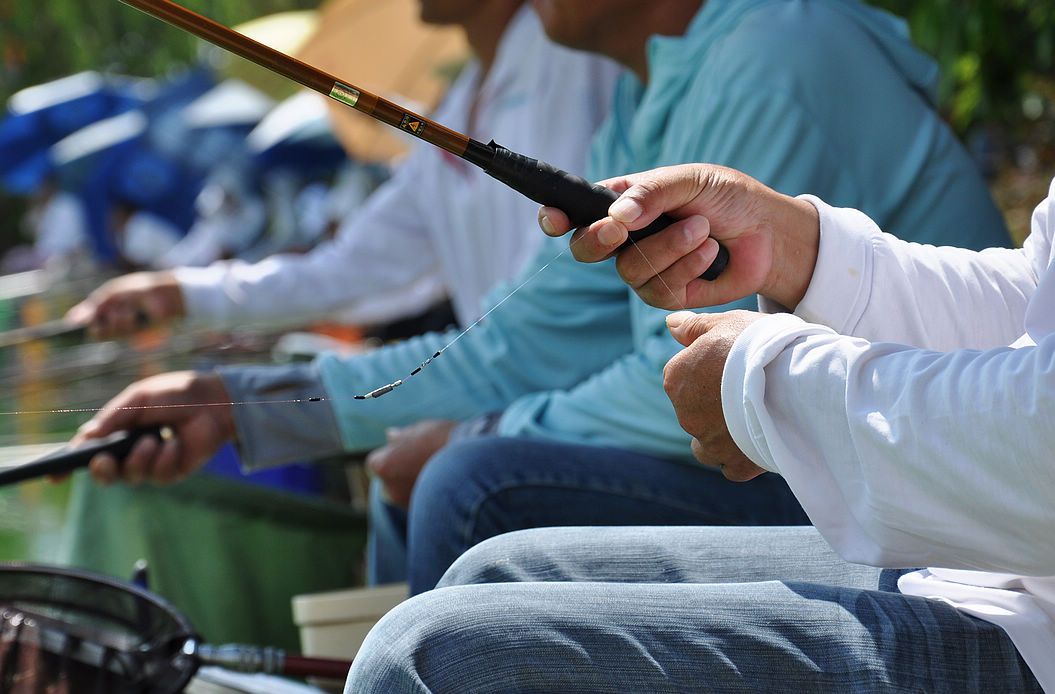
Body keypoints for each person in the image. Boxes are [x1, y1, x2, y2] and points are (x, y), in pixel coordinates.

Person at [73, 0, 1011, 595]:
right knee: (443, 475)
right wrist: (246, 410)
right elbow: (511, 344)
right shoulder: (650, 97)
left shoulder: (774, 56)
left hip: (926, 494)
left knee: (473, 482)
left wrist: (474, 435)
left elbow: (691, 377)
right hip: (801, 465)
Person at [340, 162, 1053, 692]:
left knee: (430, 653)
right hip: (999, 571)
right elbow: (1030, 313)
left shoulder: (766, 69)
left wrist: (766, 389)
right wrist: (798, 252)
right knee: (492, 574)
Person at [66, 0, 621, 336]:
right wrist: (181, 293)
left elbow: (563, 300)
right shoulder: (455, 107)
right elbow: (350, 267)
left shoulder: (584, 63)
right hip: (510, 394)